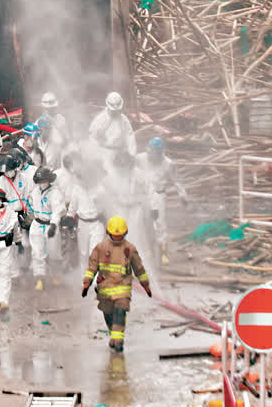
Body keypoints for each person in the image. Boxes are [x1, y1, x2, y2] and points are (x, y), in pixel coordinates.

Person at [81, 216, 152, 353]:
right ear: (109, 233)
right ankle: (113, 336)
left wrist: (146, 285)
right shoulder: (101, 248)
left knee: (120, 311)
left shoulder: (130, 249)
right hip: (105, 289)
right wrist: (86, 283)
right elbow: (92, 267)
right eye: (115, 235)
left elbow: (139, 269)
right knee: (108, 314)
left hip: (122, 288)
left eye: (120, 235)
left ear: (125, 233)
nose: (117, 238)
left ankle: (118, 341)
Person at [136, 137, 186, 265]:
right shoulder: (140, 159)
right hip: (143, 195)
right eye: (152, 151)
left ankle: (163, 252)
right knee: (143, 222)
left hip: (158, 195)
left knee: (159, 223)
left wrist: (182, 195)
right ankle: (147, 250)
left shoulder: (168, 163)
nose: (154, 154)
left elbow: (176, 180)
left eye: (157, 152)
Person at [28, 166, 65, 291]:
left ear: (49, 180)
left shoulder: (55, 193)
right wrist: (28, 216)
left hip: (50, 225)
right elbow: (30, 204)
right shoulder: (35, 192)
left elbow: (58, 210)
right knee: (37, 253)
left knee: (54, 252)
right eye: (40, 181)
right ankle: (39, 279)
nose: (42, 183)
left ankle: (56, 275)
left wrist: (54, 225)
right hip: (37, 225)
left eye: (44, 180)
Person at [88, 91, 136, 162]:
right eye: (113, 110)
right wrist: (96, 154)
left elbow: (130, 136)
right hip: (103, 153)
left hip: (120, 154)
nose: (115, 112)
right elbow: (92, 137)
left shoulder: (123, 119)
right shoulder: (100, 119)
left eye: (117, 110)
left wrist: (132, 154)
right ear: (108, 106)